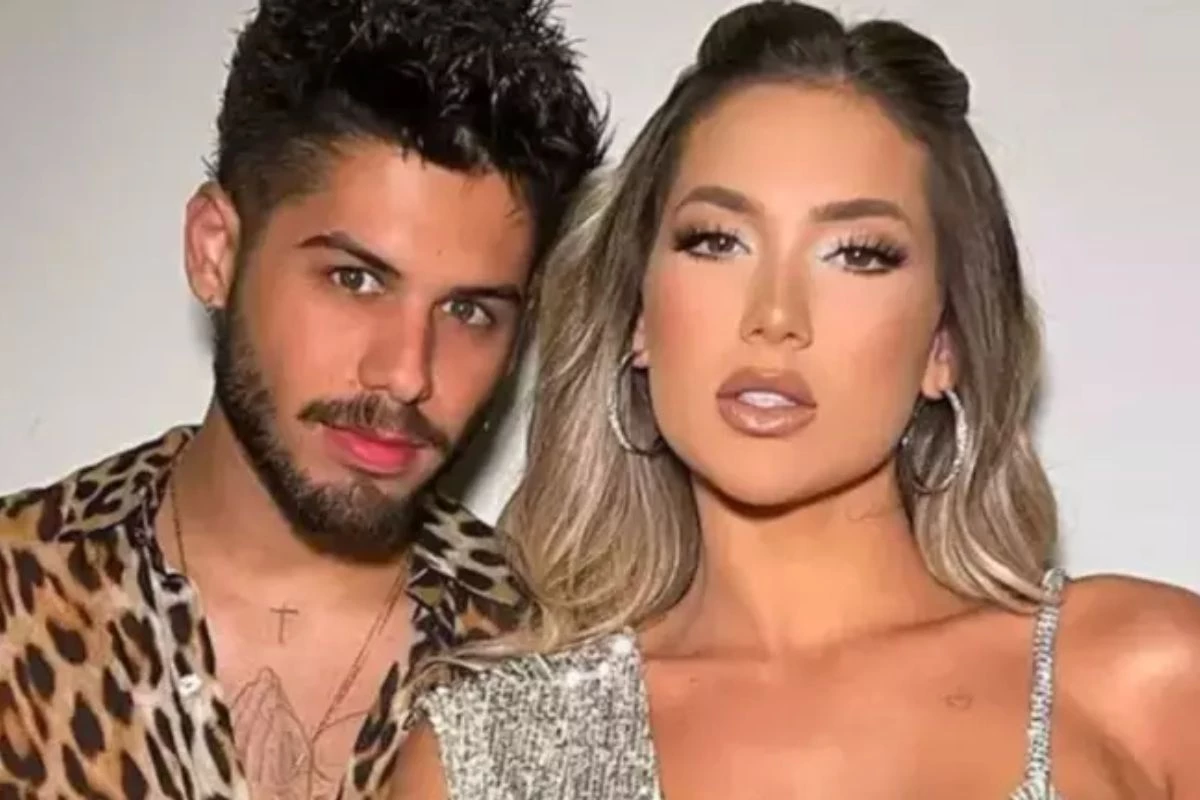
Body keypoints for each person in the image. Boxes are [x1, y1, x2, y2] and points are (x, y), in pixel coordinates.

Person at [388, 2, 1200, 798]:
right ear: (638, 316)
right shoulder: (482, 759)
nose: (775, 316)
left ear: (944, 344)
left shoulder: (1145, 682)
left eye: (858, 254)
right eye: (716, 241)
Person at [0, 0, 604, 797]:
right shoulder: (17, 593)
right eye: (355, 279)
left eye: (468, 311)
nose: (407, 373)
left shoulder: (554, 667)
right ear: (217, 252)